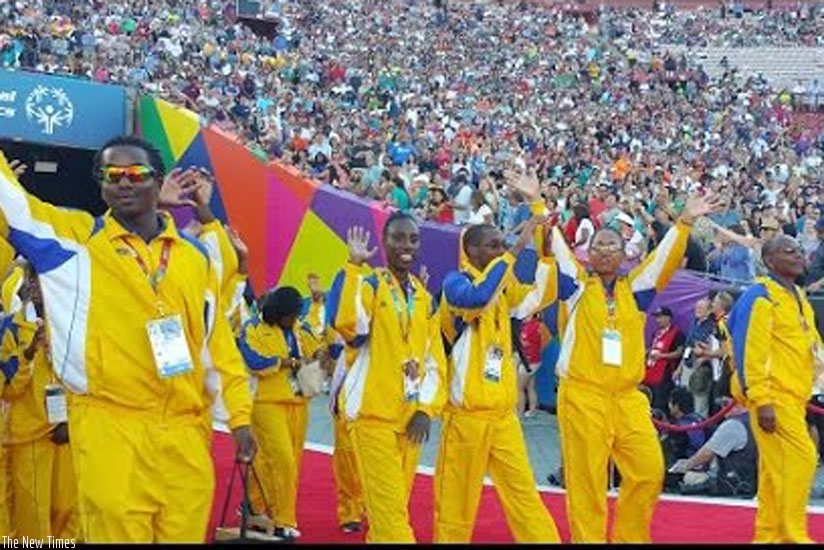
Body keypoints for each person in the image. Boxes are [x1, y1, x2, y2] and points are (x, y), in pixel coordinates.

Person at [0, 140, 255, 542]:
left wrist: (239, 417)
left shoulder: (193, 258)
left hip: (185, 437)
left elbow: (214, 344)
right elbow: (12, 208)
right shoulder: (75, 245)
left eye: (136, 174)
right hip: (110, 430)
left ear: (158, 182)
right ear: (100, 186)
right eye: (112, 176)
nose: (124, 183)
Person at [549, 192, 720, 542]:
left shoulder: (637, 289)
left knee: (648, 469)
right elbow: (558, 252)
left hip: (627, 399)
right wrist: (538, 203)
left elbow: (663, 260)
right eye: (599, 246)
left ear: (625, 252)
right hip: (583, 396)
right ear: (589, 253)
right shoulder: (576, 288)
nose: (606, 251)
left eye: (613, 245)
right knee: (587, 482)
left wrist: (685, 221)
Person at [435, 172, 561, 544]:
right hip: (466, 418)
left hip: (503, 417)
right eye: (492, 246)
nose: (500, 249)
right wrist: (515, 248)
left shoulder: (503, 290)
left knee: (524, 493)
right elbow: (477, 297)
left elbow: (540, 296)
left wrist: (545, 250)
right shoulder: (454, 285)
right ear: (472, 251)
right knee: (456, 502)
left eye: (501, 244)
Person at [326, 212, 447, 543]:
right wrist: (352, 266)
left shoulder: (423, 298)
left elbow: (434, 360)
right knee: (392, 517)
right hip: (372, 418)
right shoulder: (371, 285)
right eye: (397, 238)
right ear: (384, 241)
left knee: (388, 513)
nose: (406, 245)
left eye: (412, 239)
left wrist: (425, 409)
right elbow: (350, 326)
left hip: (409, 422)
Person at [727, 234, 820, 543]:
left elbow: (811, 346)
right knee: (803, 458)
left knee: (774, 471)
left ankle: (767, 535)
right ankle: (792, 534)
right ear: (769, 261)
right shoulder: (760, 295)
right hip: (773, 397)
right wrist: (762, 400)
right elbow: (750, 352)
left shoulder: (799, 296)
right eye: (787, 251)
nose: (797, 255)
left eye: (798, 250)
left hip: (795, 396)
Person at [238, 286, 323, 540]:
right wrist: (284, 362)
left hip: (298, 403)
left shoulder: (300, 328)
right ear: (278, 311)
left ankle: (254, 506)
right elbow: (253, 362)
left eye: (297, 314)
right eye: (291, 315)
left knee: (285, 463)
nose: (294, 319)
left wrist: (320, 354)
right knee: (283, 461)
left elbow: (316, 347)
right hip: (267, 402)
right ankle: (283, 520)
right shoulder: (253, 328)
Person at [0, 262, 79, 539]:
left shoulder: (75, 325)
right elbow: (8, 390)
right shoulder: (12, 328)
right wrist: (30, 353)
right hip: (29, 436)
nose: (37, 287)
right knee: (34, 518)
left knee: (67, 510)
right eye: (33, 281)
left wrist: (71, 419)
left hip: (69, 432)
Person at [669, 401, 757, 499]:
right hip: (754, 481)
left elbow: (706, 454)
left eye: (725, 404)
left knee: (688, 477)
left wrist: (684, 466)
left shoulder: (733, 425)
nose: (722, 408)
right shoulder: (756, 420)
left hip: (732, 483)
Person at [327, 332, 365, 534]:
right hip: (347, 406)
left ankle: (369, 507)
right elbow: (340, 366)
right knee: (346, 463)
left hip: (375, 408)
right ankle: (350, 513)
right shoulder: (351, 340)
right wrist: (334, 400)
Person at [645, 306, 685, 412]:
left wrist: (662, 356)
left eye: (660, 317)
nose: (657, 320)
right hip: (650, 372)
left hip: (664, 375)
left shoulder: (677, 333)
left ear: (668, 318)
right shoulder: (656, 333)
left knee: (660, 405)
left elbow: (679, 352)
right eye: (656, 317)